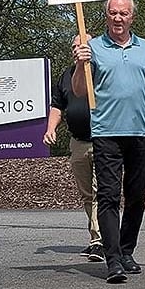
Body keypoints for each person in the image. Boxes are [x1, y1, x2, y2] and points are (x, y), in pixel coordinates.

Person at [72, 0, 145, 283]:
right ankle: (113, 261)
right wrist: (81, 63)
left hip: (140, 133)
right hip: (107, 132)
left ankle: (126, 249)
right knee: (107, 196)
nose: (118, 18)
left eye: (123, 13)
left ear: (132, 17)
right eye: (112, 13)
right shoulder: (92, 47)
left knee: (137, 196)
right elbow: (80, 90)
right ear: (106, 16)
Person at [45, 34, 102, 262]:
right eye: (74, 47)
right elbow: (58, 106)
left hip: (102, 141)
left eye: (82, 46)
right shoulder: (66, 76)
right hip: (77, 143)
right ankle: (95, 238)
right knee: (87, 194)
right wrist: (51, 129)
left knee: (101, 192)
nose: (77, 50)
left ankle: (100, 241)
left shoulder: (102, 72)